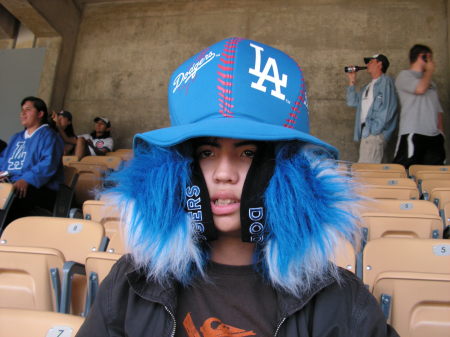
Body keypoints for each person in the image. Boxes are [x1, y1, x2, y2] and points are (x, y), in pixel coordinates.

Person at [76, 38, 398, 337]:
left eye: (247, 154)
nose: (224, 174)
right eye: (206, 153)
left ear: (287, 170)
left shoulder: (339, 301)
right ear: (182, 166)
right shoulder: (131, 284)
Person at [0, 96, 64, 224]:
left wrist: (26, 179)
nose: (22, 113)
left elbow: (48, 164)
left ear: (40, 114)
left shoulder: (50, 136)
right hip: (11, 183)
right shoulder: (16, 137)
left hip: (38, 188)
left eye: (28, 109)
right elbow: (3, 159)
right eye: (22, 110)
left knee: (11, 199)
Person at [393, 44, 445, 168]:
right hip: (413, 132)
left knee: (434, 173)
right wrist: (430, 70)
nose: (432, 62)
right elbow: (420, 89)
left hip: (434, 135)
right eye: (429, 58)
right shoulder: (404, 76)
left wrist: (441, 132)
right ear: (422, 57)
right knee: (406, 170)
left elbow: (437, 109)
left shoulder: (431, 82)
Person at [346, 54, 398, 163]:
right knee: (370, 171)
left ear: (380, 64)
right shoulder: (367, 87)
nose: (367, 64)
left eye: (371, 61)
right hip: (367, 135)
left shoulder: (385, 82)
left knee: (364, 173)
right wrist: (351, 81)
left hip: (373, 134)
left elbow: (387, 109)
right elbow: (352, 102)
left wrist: (373, 130)